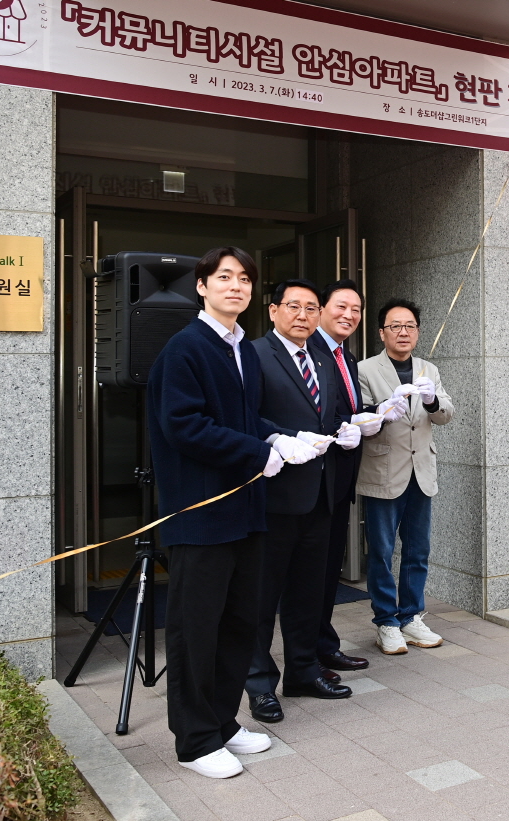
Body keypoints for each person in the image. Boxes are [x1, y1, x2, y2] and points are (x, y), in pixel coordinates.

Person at [147, 247, 290, 778]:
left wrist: (285, 439)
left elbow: (246, 419)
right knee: (195, 628)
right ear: (201, 287)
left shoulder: (243, 351)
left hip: (246, 510)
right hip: (201, 514)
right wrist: (261, 452)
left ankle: (224, 722)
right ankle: (194, 740)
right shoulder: (185, 349)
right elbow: (184, 426)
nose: (237, 286)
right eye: (224, 277)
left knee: (240, 622)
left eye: (246, 278)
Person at [245, 279, 362, 723]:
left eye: (311, 308)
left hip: (321, 493)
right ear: (273, 310)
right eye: (292, 306)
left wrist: (347, 429)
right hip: (274, 495)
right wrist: (277, 437)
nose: (302, 315)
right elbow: (243, 414)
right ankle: (258, 683)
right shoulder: (255, 354)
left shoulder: (323, 358)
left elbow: (329, 413)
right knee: (262, 595)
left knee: (308, 592)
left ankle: (302, 670)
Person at [357, 299, 454, 654]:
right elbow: (359, 419)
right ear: (381, 332)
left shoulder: (428, 368)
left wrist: (431, 401)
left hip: (421, 471)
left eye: (409, 326)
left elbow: (445, 414)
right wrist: (382, 411)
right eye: (395, 326)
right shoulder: (365, 369)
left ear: (417, 332)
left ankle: (412, 616)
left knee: (418, 549)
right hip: (383, 470)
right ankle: (386, 621)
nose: (403, 332)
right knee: (382, 551)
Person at [309, 279, 381, 677]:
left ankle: (323, 645)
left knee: (327, 569)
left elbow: (347, 407)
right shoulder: (311, 350)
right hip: (314, 480)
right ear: (321, 308)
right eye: (341, 306)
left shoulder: (345, 357)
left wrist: (374, 411)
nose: (349, 315)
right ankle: (310, 653)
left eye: (356, 309)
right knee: (311, 573)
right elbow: (314, 413)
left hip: (340, 480)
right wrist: (346, 424)